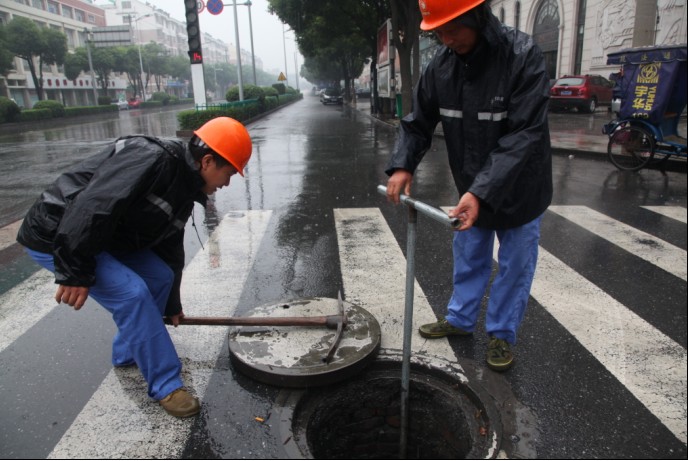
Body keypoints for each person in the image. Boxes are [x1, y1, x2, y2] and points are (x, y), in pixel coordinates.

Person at [16, 116, 252, 417]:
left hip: (102, 235)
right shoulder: (151, 158)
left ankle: (128, 353)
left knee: (160, 276)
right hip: (57, 233)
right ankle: (166, 384)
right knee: (132, 294)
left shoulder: (185, 185)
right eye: (228, 173)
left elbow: (168, 248)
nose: (226, 183)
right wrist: (75, 270)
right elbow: (92, 206)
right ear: (207, 161)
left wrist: (171, 304)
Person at [385, 0, 552, 371]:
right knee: (469, 254)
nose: (446, 39)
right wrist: (402, 165)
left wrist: (479, 192)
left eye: (453, 29)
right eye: (439, 32)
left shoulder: (522, 57)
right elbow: (417, 121)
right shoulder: (441, 67)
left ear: (477, 17)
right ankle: (460, 320)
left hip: (522, 189)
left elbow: (524, 135)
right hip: (471, 187)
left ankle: (501, 334)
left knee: (515, 266)